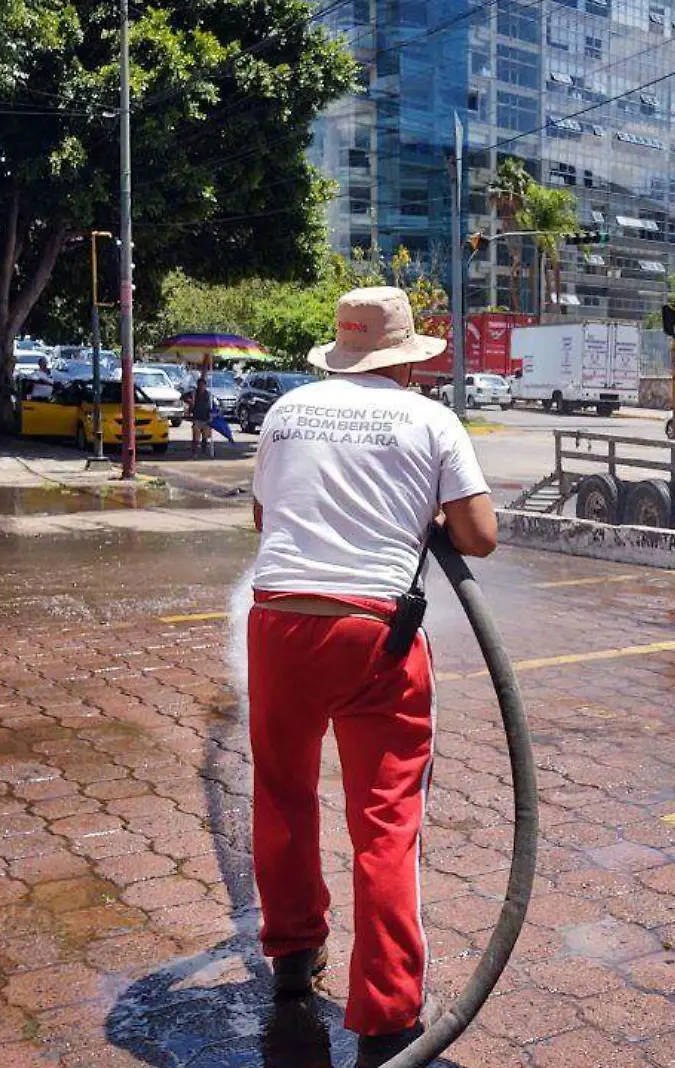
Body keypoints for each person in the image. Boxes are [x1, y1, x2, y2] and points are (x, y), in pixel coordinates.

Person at [246, 287, 497, 1068]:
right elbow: (479, 536)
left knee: (283, 794)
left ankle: (293, 957)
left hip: (279, 620)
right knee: (385, 821)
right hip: (372, 633)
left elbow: (265, 519)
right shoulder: (430, 420)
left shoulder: (287, 412)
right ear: (408, 364)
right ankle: (386, 1017)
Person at [190, 361, 213, 457]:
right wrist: (190, 402)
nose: (201, 387)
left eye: (203, 385)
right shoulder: (194, 393)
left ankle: (203, 451)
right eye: (200, 385)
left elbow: (211, 406)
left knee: (205, 437)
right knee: (196, 437)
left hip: (206, 418)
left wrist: (211, 415)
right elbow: (183, 397)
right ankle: (194, 452)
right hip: (197, 418)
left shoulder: (208, 394)